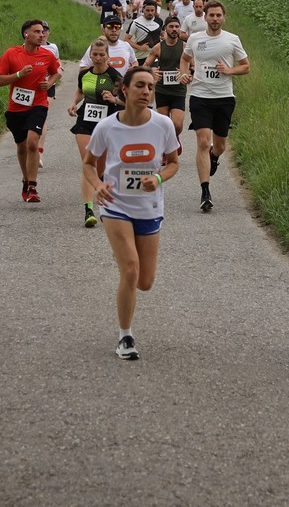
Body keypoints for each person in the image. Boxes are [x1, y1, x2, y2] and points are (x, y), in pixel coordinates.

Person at [83, 67, 180, 361]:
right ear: (124, 89)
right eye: (140, 85)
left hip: (149, 207)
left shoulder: (163, 125)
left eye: (150, 87)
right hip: (116, 205)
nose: (146, 92)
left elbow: (174, 162)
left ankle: (130, 291)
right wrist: (98, 186)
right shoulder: (107, 127)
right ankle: (125, 336)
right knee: (130, 270)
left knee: (145, 281)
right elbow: (89, 163)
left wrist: (159, 178)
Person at [177, 0, 250, 212]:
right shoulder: (195, 38)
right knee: (202, 142)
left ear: (224, 18)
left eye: (219, 15)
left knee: (219, 146)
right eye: (212, 15)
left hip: (224, 97)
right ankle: (205, 192)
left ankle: (214, 157)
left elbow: (246, 67)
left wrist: (229, 71)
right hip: (200, 96)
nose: (215, 19)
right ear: (205, 17)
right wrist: (183, 74)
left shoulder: (232, 39)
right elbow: (185, 59)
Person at [0, 19, 62, 203]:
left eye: (43, 32)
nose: (42, 35)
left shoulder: (47, 55)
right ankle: (26, 180)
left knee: (33, 142)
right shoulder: (12, 53)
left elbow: (56, 72)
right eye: (37, 32)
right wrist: (19, 75)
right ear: (26, 34)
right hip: (16, 108)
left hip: (38, 105)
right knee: (22, 146)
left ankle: (32, 186)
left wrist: (49, 83)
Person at [68, 38, 124, 227]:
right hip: (85, 121)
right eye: (95, 54)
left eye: (101, 55)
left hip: (107, 124)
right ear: (90, 55)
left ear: (108, 56)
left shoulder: (115, 77)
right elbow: (80, 91)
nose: (98, 58)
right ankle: (88, 209)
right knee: (88, 163)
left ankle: (101, 185)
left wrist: (114, 100)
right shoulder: (84, 74)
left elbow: (127, 101)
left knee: (100, 169)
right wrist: (73, 103)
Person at [144, 15, 187, 142]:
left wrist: (187, 73)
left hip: (179, 90)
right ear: (165, 29)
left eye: (177, 27)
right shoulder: (158, 47)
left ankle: (174, 139)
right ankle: (167, 148)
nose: (174, 29)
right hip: (162, 90)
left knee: (177, 125)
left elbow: (193, 66)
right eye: (171, 26)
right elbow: (145, 65)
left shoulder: (185, 47)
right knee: (163, 125)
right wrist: (151, 71)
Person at [36, 21, 63, 170]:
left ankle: (39, 152)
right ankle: (30, 148)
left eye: (45, 30)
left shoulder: (53, 47)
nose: (43, 33)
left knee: (43, 116)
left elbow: (58, 64)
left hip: (48, 86)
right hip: (32, 87)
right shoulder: (27, 47)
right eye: (40, 31)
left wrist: (59, 70)